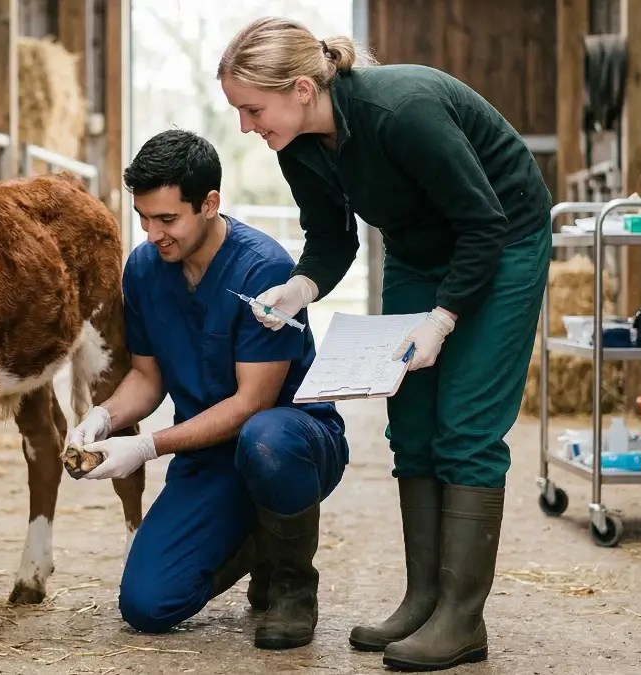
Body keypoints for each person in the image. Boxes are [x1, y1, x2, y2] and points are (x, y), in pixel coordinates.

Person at [216, 16, 553, 672]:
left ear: (303, 89)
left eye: (253, 109)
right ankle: (423, 597)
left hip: (502, 238)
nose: (246, 127)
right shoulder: (299, 147)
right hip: (419, 249)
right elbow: (333, 236)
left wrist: (443, 321)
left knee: (466, 427)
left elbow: (483, 222)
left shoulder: (402, 111)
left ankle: (462, 616)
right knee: (414, 424)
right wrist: (299, 288)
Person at [68, 128, 349, 651]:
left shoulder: (264, 267)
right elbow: (147, 377)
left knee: (266, 440)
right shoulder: (146, 268)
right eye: (144, 218)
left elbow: (251, 404)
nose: (153, 234)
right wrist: (103, 418)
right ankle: (256, 539)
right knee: (147, 606)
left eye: (167, 219)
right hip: (209, 455)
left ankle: (291, 585)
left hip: (292, 440)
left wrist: (147, 446)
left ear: (210, 203)